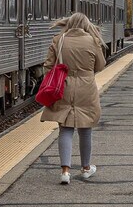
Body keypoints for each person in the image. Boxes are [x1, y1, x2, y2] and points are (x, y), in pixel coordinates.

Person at [41, 11, 106, 185]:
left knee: (65, 128)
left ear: (69, 23)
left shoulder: (59, 40)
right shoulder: (93, 41)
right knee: (86, 128)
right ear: (86, 24)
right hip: (87, 87)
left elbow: (48, 66)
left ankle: (65, 172)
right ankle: (85, 169)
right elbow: (101, 65)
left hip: (64, 86)